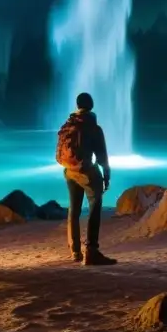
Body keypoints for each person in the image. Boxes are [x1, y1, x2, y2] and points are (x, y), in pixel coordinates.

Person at [56, 92, 117, 266]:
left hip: (69, 171)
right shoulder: (93, 127)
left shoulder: (68, 124)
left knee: (73, 210)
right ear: (91, 106)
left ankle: (75, 251)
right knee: (95, 205)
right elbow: (102, 157)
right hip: (85, 172)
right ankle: (91, 250)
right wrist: (106, 175)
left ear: (77, 105)